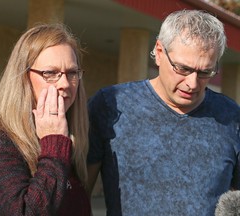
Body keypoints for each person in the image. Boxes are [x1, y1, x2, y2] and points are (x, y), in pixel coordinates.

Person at [87, 9, 240, 216]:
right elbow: (79, 194)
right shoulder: (110, 105)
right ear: (159, 52)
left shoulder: (231, 118)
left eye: (205, 72)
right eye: (183, 69)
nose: (192, 83)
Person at [0, 23, 91, 215]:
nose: (64, 83)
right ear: (23, 79)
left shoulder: (69, 143)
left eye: (72, 73)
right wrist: (54, 145)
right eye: (50, 73)